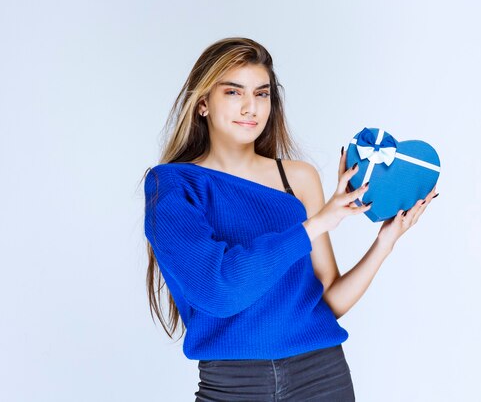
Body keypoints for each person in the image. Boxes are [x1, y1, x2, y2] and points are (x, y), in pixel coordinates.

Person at [142, 37, 438, 401]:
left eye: (262, 94)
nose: (251, 107)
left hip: (322, 376)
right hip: (233, 386)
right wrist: (315, 224)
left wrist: (385, 242)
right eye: (234, 93)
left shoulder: (298, 178)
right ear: (203, 102)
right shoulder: (172, 186)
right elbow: (218, 289)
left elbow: (329, 301)